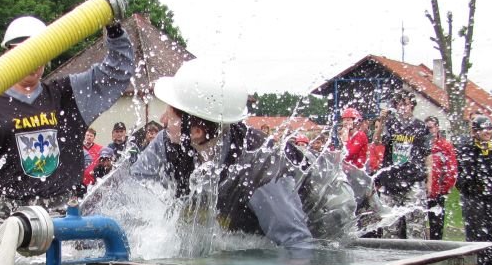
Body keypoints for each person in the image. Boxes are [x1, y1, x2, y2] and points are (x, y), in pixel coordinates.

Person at [130, 59, 357, 245]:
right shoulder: (169, 139)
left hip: (328, 207)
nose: (162, 120)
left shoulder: (261, 172)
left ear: (196, 131)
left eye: (170, 115)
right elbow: (135, 186)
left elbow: (297, 243)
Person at [0, 12, 134, 225]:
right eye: (23, 52)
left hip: (59, 212)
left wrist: (114, 29)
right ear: (7, 55)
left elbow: (116, 73)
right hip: (3, 216)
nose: (31, 60)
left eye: (38, 52)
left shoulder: (68, 95)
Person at [371, 94, 432, 239]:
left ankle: (416, 252)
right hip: (391, 181)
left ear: (412, 105)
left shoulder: (420, 126)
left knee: (416, 227)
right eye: (399, 104)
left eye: (405, 104)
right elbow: (377, 141)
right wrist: (382, 121)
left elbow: (428, 155)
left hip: (414, 181)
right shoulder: (390, 123)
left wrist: (429, 180)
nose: (402, 107)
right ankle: (391, 252)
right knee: (389, 227)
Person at [455, 115, 492, 265]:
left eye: (490, 129)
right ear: (475, 131)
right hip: (473, 195)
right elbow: (462, 173)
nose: (488, 132)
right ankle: (476, 264)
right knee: (475, 229)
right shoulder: (466, 147)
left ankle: (488, 264)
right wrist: (473, 187)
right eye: (484, 129)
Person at [425, 116, 458, 241]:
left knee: (436, 226)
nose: (428, 131)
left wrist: (443, 189)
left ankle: (436, 247)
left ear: (437, 127)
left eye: (430, 127)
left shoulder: (445, 146)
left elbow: (451, 169)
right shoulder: (421, 143)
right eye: (426, 128)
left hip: (437, 192)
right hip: (421, 191)